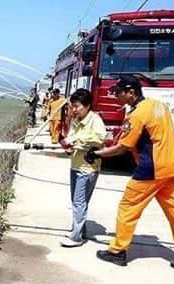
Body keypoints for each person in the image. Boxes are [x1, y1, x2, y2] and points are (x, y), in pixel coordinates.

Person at [85, 75, 174, 279]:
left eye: (118, 92)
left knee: (128, 208)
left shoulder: (136, 115)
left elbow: (123, 148)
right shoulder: (159, 106)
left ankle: (117, 251)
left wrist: (95, 153)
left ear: (131, 92)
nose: (115, 97)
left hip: (151, 169)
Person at [59, 89, 106, 247]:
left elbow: (100, 138)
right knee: (77, 201)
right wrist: (67, 145)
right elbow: (71, 137)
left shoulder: (95, 120)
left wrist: (78, 140)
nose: (74, 110)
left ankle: (76, 237)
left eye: (77, 106)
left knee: (79, 202)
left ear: (87, 105)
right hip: (75, 164)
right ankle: (79, 230)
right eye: (73, 106)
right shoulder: (76, 120)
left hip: (88, 167)